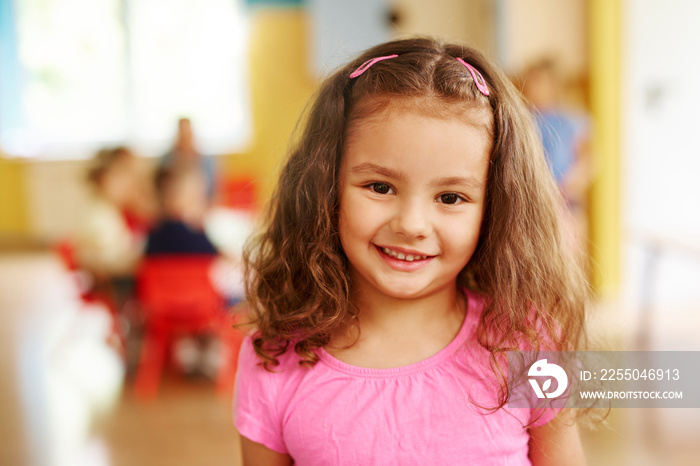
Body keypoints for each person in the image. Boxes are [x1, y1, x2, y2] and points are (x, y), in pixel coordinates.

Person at [234, 38, 589, 465]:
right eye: (380, 187)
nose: (411, 224)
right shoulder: (274, 359)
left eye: (451, 197)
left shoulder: (526, 342)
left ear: (496, 208)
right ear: (326, 187)